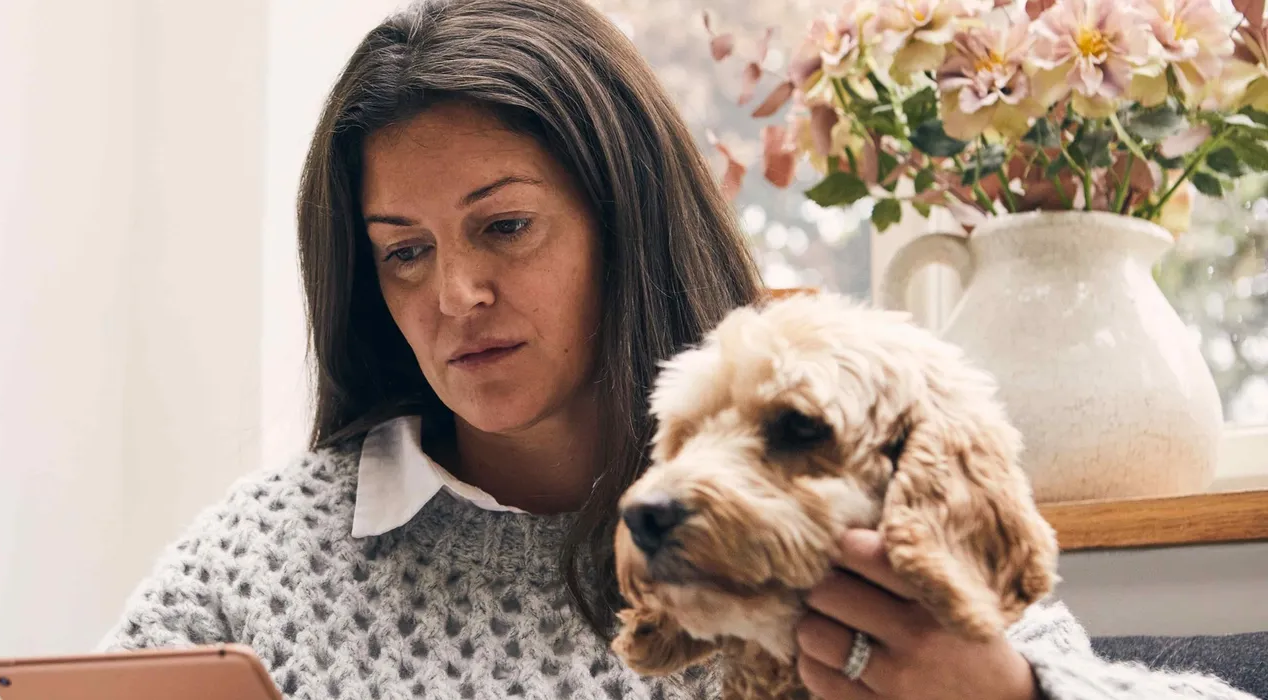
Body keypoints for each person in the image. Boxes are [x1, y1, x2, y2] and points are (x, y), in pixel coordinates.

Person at [98, 0, 1251, 698]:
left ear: (623, 216)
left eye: (505, 226)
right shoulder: (263, 552)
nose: (454, 293)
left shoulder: (815, 478)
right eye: (402, 251)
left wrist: (1007, 691)